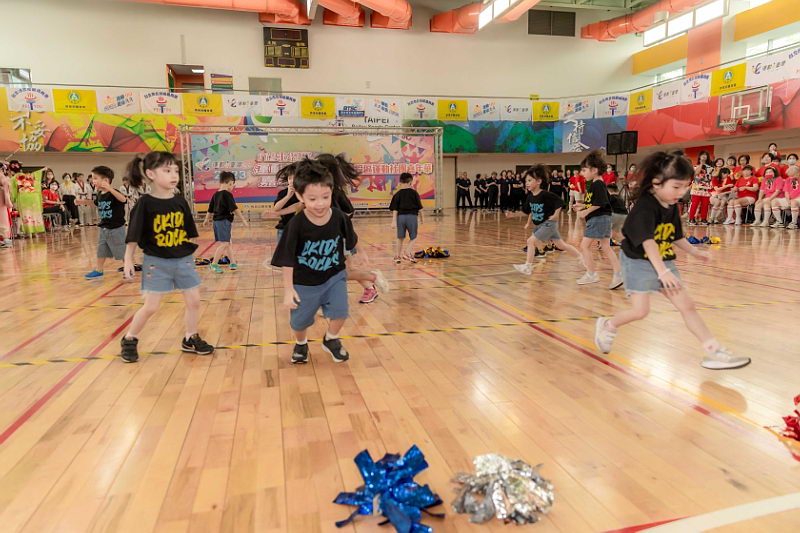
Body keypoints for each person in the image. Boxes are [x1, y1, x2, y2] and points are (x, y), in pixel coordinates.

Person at [594, 151, 750, 370]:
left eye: (685, 186)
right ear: (656, 182)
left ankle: (714, 351)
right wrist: (662, 272)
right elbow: (648, 242)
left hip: (663, 261)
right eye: (677, 186)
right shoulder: (644, 207)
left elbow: (676, 236)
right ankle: (609, 325)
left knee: (687, 305)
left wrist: (695, 252)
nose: (682, 192)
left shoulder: (671, 205)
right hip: (638, 263)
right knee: (640, 311)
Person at [120, 152, 214, 363]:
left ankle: (190, 337)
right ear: (150, 174)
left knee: (194, 301)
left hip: (183, 259)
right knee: (151, 306)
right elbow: (133, 234)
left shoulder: (180, 201)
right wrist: (128, 260)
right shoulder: (145, 203)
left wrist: (191, 257)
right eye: (167, 170)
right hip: (157, 261)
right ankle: (129, 338)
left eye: (176, 171)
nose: (174, 175)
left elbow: (189, 231)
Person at [271, 158, 357, 364]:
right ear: (300, 196)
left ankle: (331, 339)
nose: (320, 203)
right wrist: (288, 289)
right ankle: (301, 344)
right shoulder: (296, 225)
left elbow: (351, 237)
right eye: (312, 199)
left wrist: (359, 252)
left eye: (325, 197)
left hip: (334, 276)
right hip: (304, 282)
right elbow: (287, 260)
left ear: (332, 191)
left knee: (341, 312)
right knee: (299, 323)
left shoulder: (339, 217)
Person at [316, 153, 388, 304]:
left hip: (339, 239)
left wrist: (358, 248)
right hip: (328, 238)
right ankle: (369, 286)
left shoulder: (334, 192)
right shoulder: (322, 190)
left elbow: (347, 216)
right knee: (338, 271)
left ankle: (371, 279)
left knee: (341, 272)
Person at [512, 165, 583, 275]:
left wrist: (556, 215)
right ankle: (581, 257)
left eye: (530, 180)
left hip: (548, 224)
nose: (527, 183)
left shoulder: (545, 194)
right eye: (526, 181)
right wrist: (513, 215)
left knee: (530, 241)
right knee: (561, 245)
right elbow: (526, 211)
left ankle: (528, 266)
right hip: (540, 225)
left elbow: (560, 202)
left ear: (539, 181)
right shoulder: (530, 196)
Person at [572, 151, 622, 289]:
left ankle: (591, 274)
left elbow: (600, 203)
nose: (582, 173)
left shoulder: (598, 184)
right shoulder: (595, 184)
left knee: (584, 246)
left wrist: (585, 212)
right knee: (606, 247)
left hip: (598, 219)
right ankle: (618, 274)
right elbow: (596, 202)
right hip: (602, 218)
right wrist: (582, 205)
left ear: (594, 170)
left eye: (584, 170)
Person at [84, 166, 128, 279]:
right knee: (101, 250)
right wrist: (82, 202)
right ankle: (99, 270)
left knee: (121, 249)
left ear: (106, 180)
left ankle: (129, 267)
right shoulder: (100, 194)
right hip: (104, 227)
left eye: (95, 178)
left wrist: (111, 189)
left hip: (116, 228)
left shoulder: (114, 192)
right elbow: (96, 203)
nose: (93, 181)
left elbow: (123, 199)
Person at [203, 171, 249, 272]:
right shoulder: (227, 194)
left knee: (228, 243)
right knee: (224, 244)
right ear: (230, 183)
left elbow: (210, 209)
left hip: (217, 222)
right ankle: (214, 264)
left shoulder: (215, 194)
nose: (232, 187)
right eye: (232, 185)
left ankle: (232, 262)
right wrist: (243, 220)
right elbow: (235, 208)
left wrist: (206, 219)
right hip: (223, 222)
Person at [390, 172, 424, 264]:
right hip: (412, 217)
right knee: (413, 237)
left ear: (400, 182)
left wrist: (393, 221)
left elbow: (395, 209)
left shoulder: (397, 194)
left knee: (400, 238)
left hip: (400, 218)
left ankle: (397, 257)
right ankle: (407, 253)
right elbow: (420, 208)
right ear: (410, 182)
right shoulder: (414, 193)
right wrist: (422, 219)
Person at [9, 161, 45, 235]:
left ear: (11, 171)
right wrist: (42, 170)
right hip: (33, 196)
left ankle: (29, 232)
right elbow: (36, 175)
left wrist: (13, 199)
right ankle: (35, 231)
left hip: (23, 197)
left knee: (26, 214)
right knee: (34, 213)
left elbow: (13, 191)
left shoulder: (13, 178)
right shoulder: (28, 175)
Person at [271, 162, 302, 242]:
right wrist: (288, 196)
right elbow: (276, 208)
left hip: (301, 229)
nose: (291, 181)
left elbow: (299, 205)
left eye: (294, 178)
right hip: (284, 228)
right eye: (290, 178)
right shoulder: (283, 193)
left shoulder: (305, 191)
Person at [0, 164, 12, 247]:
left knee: (2, 219)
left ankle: (5, 239)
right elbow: (6, 189)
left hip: (1, 200)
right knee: (3, 219)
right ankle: (5, 239)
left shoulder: (3, 177)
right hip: (2, 200)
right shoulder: (3, 177)